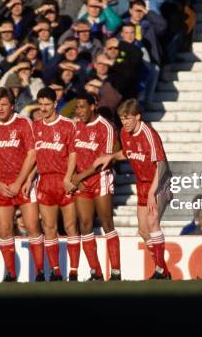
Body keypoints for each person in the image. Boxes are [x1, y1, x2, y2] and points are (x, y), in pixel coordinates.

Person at [94, 98, 172, 279]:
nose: (124, 122)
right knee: (144, 231)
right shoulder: (124, 132)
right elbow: (128, 152)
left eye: (128, 118)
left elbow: (162, 165)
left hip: (160, 182)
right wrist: (112, 156)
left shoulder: (149, 135)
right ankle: (163, 270)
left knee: (152, 222)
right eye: (122, 119)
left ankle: (161, 271)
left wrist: (153, 192)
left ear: (138, 116)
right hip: (142, 183)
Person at [0, 87, 45, 282]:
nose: (0, 108)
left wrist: (21, 181)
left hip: (24, 183)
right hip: (1, 185)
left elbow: (32, 154)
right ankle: (10, 272)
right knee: (4, 229)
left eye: (4, 104)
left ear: (12, 105)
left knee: (33, 226)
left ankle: (40, 271)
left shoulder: (24, 123)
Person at [68, 92, 121, 280]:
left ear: (93, 106)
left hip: (100, 179)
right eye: (77, 107)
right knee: (85, 225)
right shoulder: (76, 127)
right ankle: (95, 271)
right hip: (82, 183)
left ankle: (115, 272)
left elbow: (104, 160)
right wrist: (73, 177)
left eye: (82, 106)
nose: (79, 111)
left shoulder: (105, 127)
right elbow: (72, 155)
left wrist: (79, 176)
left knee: (107, 223)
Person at [32, 87, 80, 281]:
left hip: (63, 180)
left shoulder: (68, 126)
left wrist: (68, 178)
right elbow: (32, 156)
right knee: (49, 227)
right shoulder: (34, 127)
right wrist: (28, 179)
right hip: (44, 181)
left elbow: (73, 154)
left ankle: (74, 271)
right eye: (41, 104)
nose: (43, 108)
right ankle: (56, 270)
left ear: (55, 103)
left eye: (47, 104)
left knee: (70, 226)